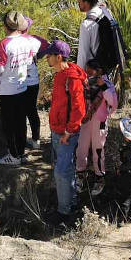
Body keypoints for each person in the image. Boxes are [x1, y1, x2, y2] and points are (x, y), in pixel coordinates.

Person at [39, 38, 86, 225]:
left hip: (66, 134)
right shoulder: (60, 75)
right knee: (65, 170)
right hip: (58, 131)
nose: (47, 59)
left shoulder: (71, 78)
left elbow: (79, 108)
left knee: (61, 172)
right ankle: (71, 205)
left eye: (49, 56)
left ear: (59, 57)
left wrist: (69, 131)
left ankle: (64, 214)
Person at [0, 11, 41, 166]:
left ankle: (13, 155)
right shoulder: (27, 41)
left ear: (5, 25)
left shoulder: (4, 44)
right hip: (22, 86)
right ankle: (20, 153)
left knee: (9, 124)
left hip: (8, 89)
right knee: (20, 121)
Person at [77, 59, 118, 194]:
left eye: (90, 71)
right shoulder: (85, 83)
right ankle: (80, 176)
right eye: (86, 71)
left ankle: (99, 178)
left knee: (98, 151)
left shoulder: (107, 85)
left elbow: (113, 104)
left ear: (99, 71)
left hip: (99, 123)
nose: (88, 74)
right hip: (85, 121)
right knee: (81, 149)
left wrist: (104, 88)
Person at [104, 118, 131, 224]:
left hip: (130, 175)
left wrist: (120, 169)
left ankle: (121, 219)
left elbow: (130, 164)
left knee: (126, 196)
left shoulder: (130, 149)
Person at [21, 17, 44, 150]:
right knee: (32, 110)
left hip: (21, 81)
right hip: (33, 80)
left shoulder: (15, 42)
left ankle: (22, 140)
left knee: (21, 112)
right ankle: (36, 140)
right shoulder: (35, 41)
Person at [76, 0, 104, 69]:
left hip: (94, 69)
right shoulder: (104, 13)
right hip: (108, 67)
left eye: (80, 1)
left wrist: (79, 74)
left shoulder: (86, 24)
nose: (78, 4)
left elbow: (83, 53)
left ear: (86, 3)